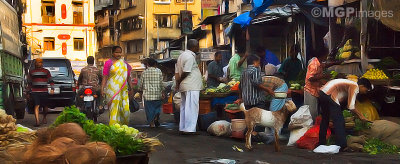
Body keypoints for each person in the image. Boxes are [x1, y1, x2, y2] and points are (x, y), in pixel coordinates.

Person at [318, 78, 372, 149]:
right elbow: (351, 106)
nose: (365, 93)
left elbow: (344, 101)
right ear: (362, 86)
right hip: (330, 94)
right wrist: (361, 116)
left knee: (325, 119)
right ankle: (341, 145)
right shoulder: (355, 86)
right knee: (339, 121)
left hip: (322, 93)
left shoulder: (350, 83)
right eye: (366, 90)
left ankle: (321, 143)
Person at [175, 39, 203, 134]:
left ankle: (183, 127)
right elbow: (186, 71)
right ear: (194, 46)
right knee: (191, 107)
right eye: (198, 45)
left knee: (185, 107)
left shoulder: (181, 56)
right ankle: (189, 129)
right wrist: (179, 81)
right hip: (191, 85)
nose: (198, 47)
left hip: (185, 86)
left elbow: (177, 72)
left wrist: (178, 83)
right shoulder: (189, 57)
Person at [101, 46, 133, 126]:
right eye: (116, 52)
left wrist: (131, 88)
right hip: (112, 89)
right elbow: (105, 76)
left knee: (125, 110)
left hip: (123, 90)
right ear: (112, 53)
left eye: (120, 52)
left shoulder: (124, 64)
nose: (119, 54)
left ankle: (123, 127)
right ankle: (114, 127)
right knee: (114, 109)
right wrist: (102, 89)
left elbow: (128, 77)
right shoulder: (108, 63)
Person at [304, 48, 332, 121]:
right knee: (312, 113)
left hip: (316, 90)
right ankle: (311, 129)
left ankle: (315, 128)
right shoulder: (314, 64)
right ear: (323, 55)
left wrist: (336, 63)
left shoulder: (319, 62)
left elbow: (325, 65)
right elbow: (310, 78)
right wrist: (324, 76)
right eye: (326, 55)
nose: (327, 56)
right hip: (310, 91)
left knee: (316, 112)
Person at [27, 58, 54, 127]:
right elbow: (29, 83)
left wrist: (52, 89)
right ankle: (37, 121)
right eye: (38, 62)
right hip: (35, 92)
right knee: (37, 105)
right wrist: (27, 92)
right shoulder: (31, 72)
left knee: (45, 106)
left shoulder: (46, 71)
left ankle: (44, 117)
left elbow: (51, 81)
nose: (39, 63)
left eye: (40, 62)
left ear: (42, 64)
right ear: (35, 63)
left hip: (44, 91)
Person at [139, 58, 164, 128]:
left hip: (148, 95)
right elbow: (161, 83)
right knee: (157, 108)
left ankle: (151, 123)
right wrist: (163, 91)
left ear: (148, 64)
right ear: (155, 64)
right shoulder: (159, 71)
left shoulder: (144, 72)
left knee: (149, 110)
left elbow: (141, 84)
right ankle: (156, 117)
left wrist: (140, 90)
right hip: (157, 94)